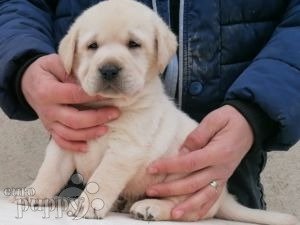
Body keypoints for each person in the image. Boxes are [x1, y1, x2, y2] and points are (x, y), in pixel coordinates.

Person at [0, 0, 299, 220]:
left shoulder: (144, 107)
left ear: (161, 51)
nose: (109, 64)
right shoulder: (80, 89)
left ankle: (169, 208)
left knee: (181, 175)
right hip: (82, 200)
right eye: (92, 46)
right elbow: (65, 148)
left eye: (133, 44)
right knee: (69, 138)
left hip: (206, 180)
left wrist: (254, 112)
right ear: (71, 52)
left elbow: (126, 151)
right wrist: (23, 64)